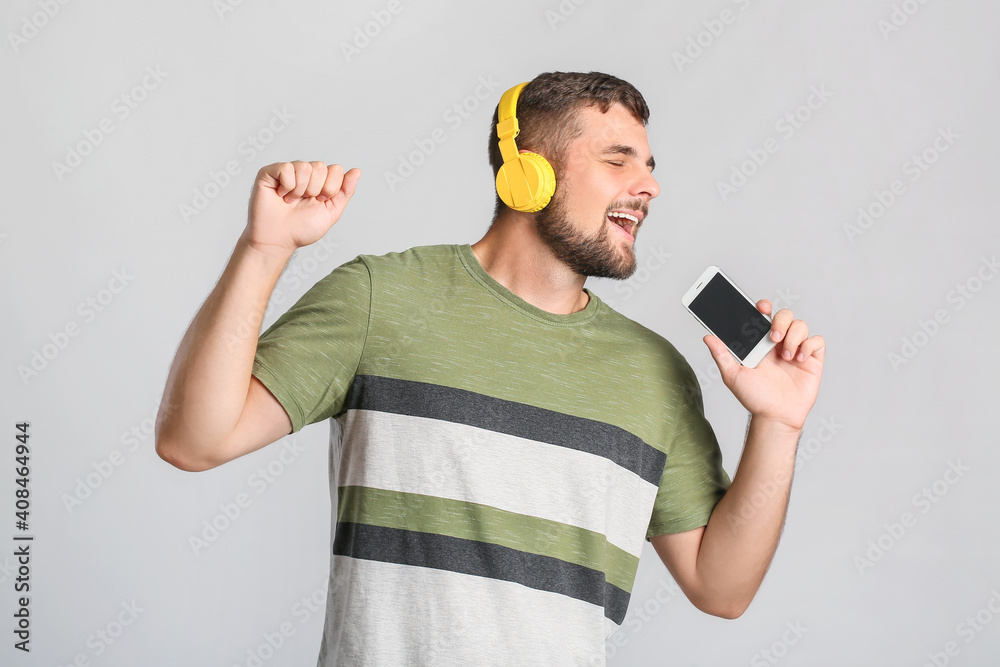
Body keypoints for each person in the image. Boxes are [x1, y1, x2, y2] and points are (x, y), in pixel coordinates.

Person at [155, 71, 825, 666]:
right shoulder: (381, 298)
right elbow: (194, 438)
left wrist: (777, 424)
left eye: (648, 165)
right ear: (526, 172)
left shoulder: (656, 374)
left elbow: (723, 588)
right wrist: (263, 250)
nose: (648, 186)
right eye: (618, 160)